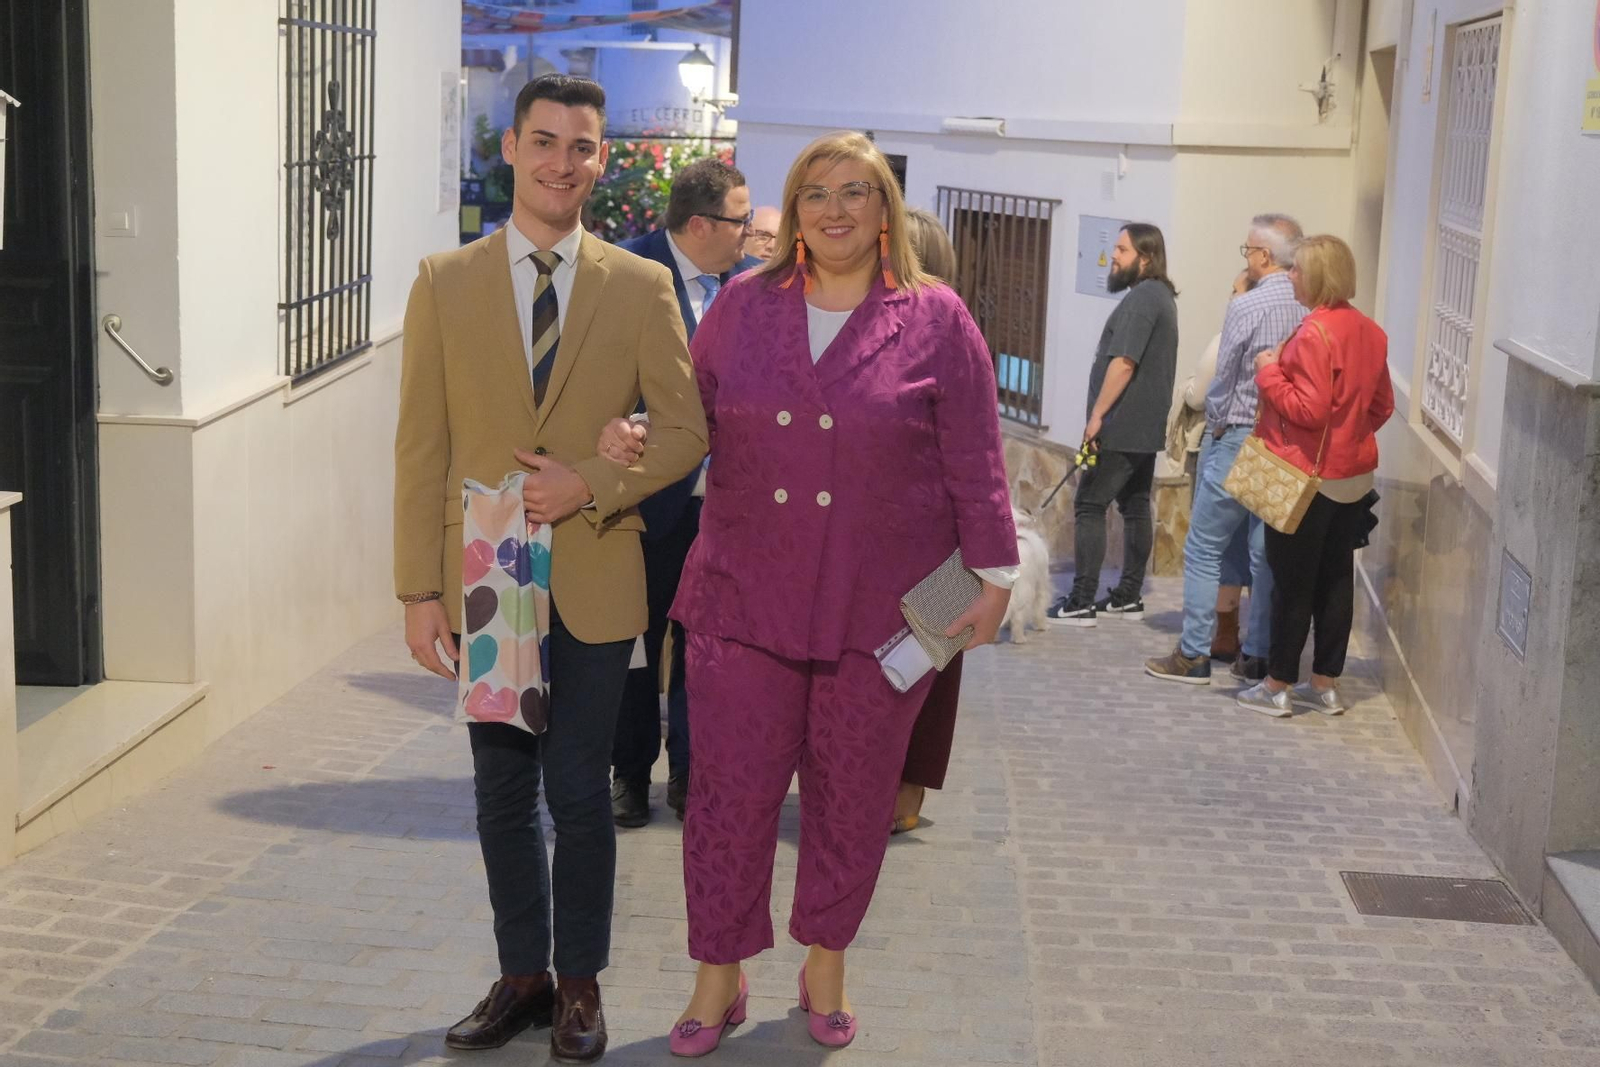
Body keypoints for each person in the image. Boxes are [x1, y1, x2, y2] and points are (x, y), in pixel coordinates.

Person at [663, 131, 1017, 1055]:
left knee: (853, 799)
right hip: (744, 600)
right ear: (794, 209)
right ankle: (717, 973)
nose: (833, 209)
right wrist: (627, 440)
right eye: (814, 192)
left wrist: (994, 575)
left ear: (884, 209)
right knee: (729, 799)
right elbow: (683, 419)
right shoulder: (743, 306)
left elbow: (977, 459)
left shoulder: (937, 319)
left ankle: (826, 965)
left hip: (885, 609)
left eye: (855, 191)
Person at [393, 74, 707, 1063]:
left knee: (577, 788)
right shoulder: (444, 281)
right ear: (512, 150)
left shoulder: (639, 284)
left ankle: (579, 982)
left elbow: (689, 428)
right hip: (486, 577)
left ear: (600, 159)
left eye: (580, 145)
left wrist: (595, 485)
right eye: (543, 141)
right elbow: (419, 447)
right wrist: (417, 589)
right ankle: (519, 973)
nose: (560, 161)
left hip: (594, 576)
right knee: (498, 791)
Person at [608, 160, 761, 829]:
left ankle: (693, 777)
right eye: (741, 220)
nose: (751, 233)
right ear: (701, 224)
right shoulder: (625, 274)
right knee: (637, 646)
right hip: (646, 503)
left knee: (709, 649)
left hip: (728, 508)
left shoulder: (756, 289)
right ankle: (630, 775)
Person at [1236, 235, 1392, 717]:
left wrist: (1267, 372)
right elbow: (1383, 405)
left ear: (1318, 277)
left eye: (1299, 271)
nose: (1293, 278)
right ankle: (1324, 684)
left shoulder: (1312, 334)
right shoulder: (1370, 330)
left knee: (1293, 582)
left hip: (1308, 479)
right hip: (1354, 476)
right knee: (1335, 579)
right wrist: (1350, 436)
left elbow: (1309, 408)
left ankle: (1277, 685)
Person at [1145, 214, 1305, 684]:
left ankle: (1193, 652)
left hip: (1237, 431)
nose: (1247, 259)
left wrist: (1215, 423)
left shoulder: (1247, 305)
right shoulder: (1306, 305)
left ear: (1264, 256)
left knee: (1204, 545)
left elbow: (1226, 374)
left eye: (1248, 251)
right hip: (1283, 436)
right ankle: (1255, 654)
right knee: (1263, 550)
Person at [1046, 224, 1179, 627]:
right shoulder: (1161, 297)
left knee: (1089, 504)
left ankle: (1081, 601)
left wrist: (1097, 417)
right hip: (1145, 428)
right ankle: (1127, 596)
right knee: (1135, 506)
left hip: (1121, 425)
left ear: (1146, 258)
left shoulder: (1142, 299)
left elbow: (1124, 363)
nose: (1113, 257)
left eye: (1122, 250)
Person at [892, 205, 962, 835]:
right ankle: (904, 801)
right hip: (943, 545)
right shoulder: (958, 326)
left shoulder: (930, 330)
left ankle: (888, 799)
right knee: (927, 670)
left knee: (902, 669)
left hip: (913, 537)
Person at [1164, 271, 1254, 660]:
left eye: (1235, 290)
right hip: (1269, 452)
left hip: (1222, 445)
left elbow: (1200, 395)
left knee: (1209, 546)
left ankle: (1206, 642)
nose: (1230, 297)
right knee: (1254, 547)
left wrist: (1186, 388)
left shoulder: (1228, 339)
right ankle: (1253, 645)